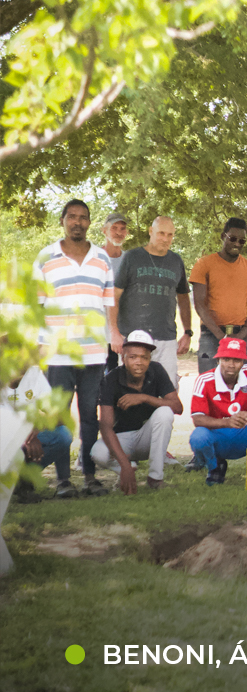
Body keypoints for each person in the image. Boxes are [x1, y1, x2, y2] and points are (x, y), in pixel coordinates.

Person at [33, 199, 117, 497]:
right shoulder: (46, 258)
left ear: (89, 222)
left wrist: (113, 336)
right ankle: (63, 481)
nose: (77, 222)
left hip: (94, 353)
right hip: (57, 353)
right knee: (59, 418)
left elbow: (109, 305)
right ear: (63, 221)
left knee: (89, 415)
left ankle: (90, 477)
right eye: (72, 217)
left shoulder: (102, 259)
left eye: (83, 217)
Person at [91, 330, 183, 493]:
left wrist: (144, 398)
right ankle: (128, 470)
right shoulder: (111, 379)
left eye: (144, 357)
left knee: (165, 413)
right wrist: (124, 465)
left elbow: (177, 407)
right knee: (98, 452)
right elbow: (106, 426)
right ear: (124, 357)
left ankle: (155, 477)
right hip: (123, 439)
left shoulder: (156, 370)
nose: (138, 362)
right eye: (133, 357)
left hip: (148, 438)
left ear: (149, 358)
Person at [189, 337, 247, 486]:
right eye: (226, 359)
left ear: (243, 362)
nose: (231, 365)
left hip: (243, 431)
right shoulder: (204, 380)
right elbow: (197, 419)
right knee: (198, 437)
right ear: (218, 360)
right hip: (218, 434)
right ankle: (215, 468)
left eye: (236, 360)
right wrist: (226, 422)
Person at [111, 216, 192, 383]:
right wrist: (114, 332)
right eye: (161, 233)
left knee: (167, 391)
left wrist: (188, 332)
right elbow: (114, 297)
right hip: (134, 337)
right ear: (151, 231)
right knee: (130, 391)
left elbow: (183, 298)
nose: (166, 238)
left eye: (170, 235)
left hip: (166, 338)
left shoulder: (176, 261)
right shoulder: (132, 258)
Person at [189, 217, 247, 374]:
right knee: (208, 387)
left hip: (242, 335)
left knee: (244, 390)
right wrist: (221, 336)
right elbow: (200, 305)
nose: (237, 244)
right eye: (232, 238)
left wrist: (242, 334)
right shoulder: (204, 264)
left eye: (242, 241)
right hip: (210, 335)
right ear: (223, 236)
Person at [9, 367, 76, 502]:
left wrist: (36, 429)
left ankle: (24, 480)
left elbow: (59, 415)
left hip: (25, 435)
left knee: (62, 436)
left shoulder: (34, 373)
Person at [101, 212, 129, 375]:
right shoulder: (94, 258)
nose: (119, 232)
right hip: (97, 334)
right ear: (104, 231)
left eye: (122, 229)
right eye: (114, 228)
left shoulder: (129, 260)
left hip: (122, 334)